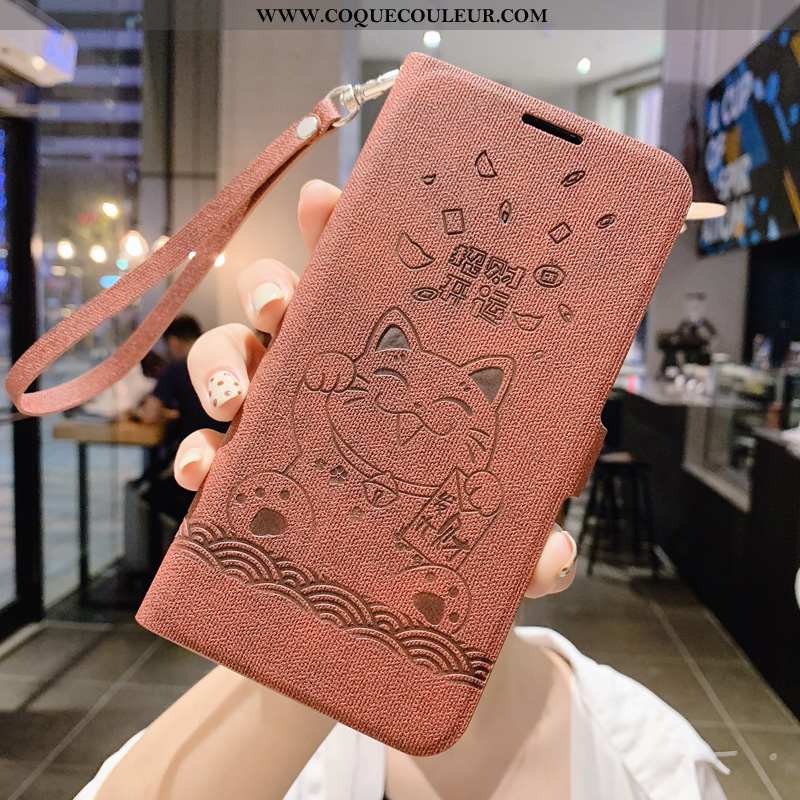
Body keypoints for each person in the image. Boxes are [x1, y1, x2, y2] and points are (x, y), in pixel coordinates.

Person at [79, 181, 727, 800]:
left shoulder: (656, 758)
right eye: (391, 394)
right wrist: (308, 644)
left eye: (445, 417)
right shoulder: (283, 734)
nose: (411, 421)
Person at [138, 315, 228, 522]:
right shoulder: (219, 361)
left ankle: (173, 539)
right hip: (227, 458)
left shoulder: (178, 367)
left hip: (194, 461)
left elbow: (149, 415)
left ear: (173, 342)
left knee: (150, 494)